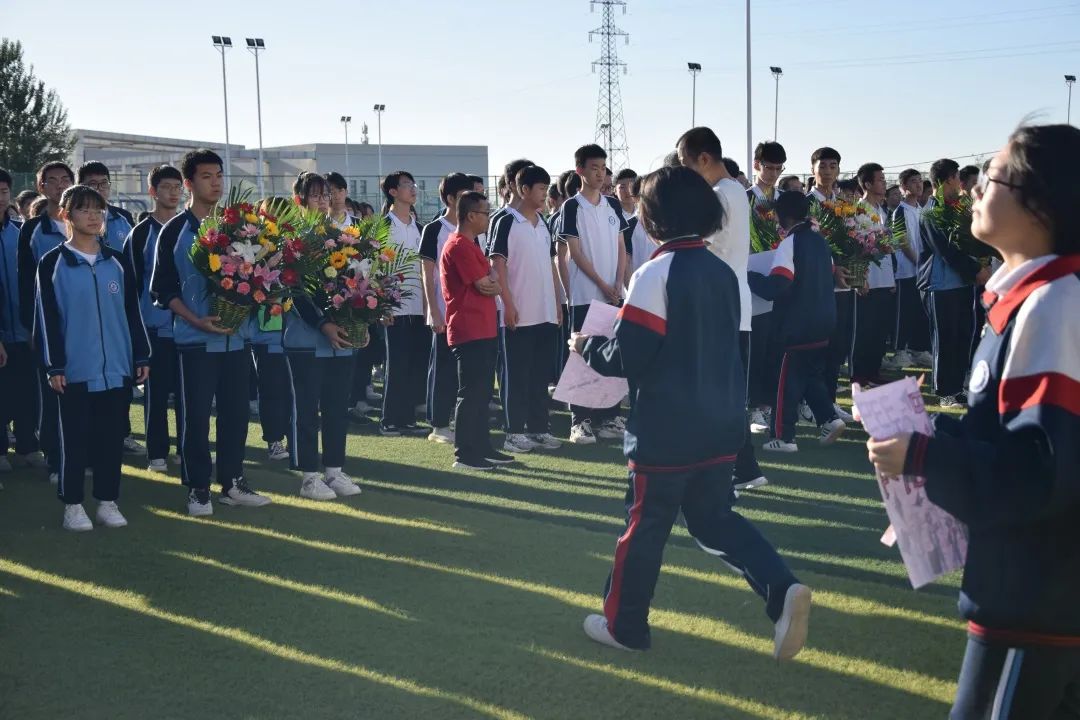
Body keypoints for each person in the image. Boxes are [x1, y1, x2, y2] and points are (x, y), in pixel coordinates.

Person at [867, 123, 1080, 720]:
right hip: (1035, 590)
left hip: (1036, 597)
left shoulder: (1054, 303)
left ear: (1043, 202)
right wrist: (935, 437)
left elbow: (1041, 472)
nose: (975, 188)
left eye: (992, 175)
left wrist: (925, 457)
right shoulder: (1037, 297)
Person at [572, 166, 811, 660]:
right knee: (713, 520)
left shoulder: (654, 273)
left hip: (666, 428)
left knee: (644, 526)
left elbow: (630, 356)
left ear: (652, 217)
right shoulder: (722, 270)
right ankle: (781, 587)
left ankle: (626, 626)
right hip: (722, 423)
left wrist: (587, 345)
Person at [151, 148, 272, 515]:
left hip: (236, 340)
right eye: (207, 176)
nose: (216, 182)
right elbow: (162, 290)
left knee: (236, 414)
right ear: (189, 183)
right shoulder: (174, 229)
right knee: (196, 417)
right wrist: (193, 319)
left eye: (219, 175)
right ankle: (198, 488)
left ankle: (232, 482)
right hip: (195, 342)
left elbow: (257, 279)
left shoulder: (238, 227)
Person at [35, 184, 150, 531]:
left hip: (117, 368)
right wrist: (55, 364)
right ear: (65, 215)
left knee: (111, 438)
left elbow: (133, 312)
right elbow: (47, 318)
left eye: (98, 210)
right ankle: (73, 505)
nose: (93, 216)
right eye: (84, 209)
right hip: (74, 370)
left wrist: (141, 354)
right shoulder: (52, 263)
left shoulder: (116, 261)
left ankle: (107, 501)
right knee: (74, 439)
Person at [677, 127, 765, 490]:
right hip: (734, 305)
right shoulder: (736, 192)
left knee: (717, 394)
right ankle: (744, 468)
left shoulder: (718, 195)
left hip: (719, 306)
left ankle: (730, 469)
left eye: (686, 163)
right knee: (726, 393)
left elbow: (695, 244)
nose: (685, 171)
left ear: (703, 159)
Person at [282, 183, 363, 501]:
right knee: (306, 409)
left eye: (326, 195)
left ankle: (334, 470)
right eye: (315, 195)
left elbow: (357, 282)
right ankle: (308, 476)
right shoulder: (292, 238)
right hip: (306, 338)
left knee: (336, 408)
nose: (322, 201)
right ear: (299, 200)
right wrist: (323, 323)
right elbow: (294, 290)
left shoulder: (340, 236)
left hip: (341, 340)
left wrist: (361, 321)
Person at [749, 191, 845, 452]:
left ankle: (784, 436)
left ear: (781, 216)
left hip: (797, 324)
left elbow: (778, 284)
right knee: (810, 374)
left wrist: (750, 277)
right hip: (824, 320)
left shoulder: (790, 243)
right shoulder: (819, 241)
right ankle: (829, 418)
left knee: (786, 381)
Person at [558, 144, 629, 445]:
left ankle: (608, 417)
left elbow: (621, 247)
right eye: (593, 168)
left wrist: (617, 283)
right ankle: (580, 421)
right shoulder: (572, 206)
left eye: (603, 168)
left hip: (613, 294)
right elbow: (574, 252)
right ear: (580, 171)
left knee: (611, 354)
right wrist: (602, 282)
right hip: (587, 294)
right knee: (583, 355)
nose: (600, 174)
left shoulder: (612, 205)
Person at [489, 165, 563, 453]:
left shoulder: (543, 222)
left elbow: (551, 265)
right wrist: (507, 304)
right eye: (541, 189)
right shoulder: (504, 220)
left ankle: (538, 428)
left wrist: (557, 303)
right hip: (518, 312)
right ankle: (513, 432)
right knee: (516, 375)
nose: (546, 194)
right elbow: (498, 266)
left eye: (547, 188)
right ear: (523, 190)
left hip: (545, 312)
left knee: (539, 375)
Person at [440, 191, 513, 470]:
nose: (488, 217)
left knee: (482, 393)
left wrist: (492, 283)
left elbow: (492, 281)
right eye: (485, 212)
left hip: (483, 327)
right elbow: (487, 284)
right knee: (471, 393)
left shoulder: (470, 244)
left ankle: (482, 447)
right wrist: (492, 283)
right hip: (468, 329)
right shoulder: (458, 245)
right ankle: (464, 453)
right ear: (471, 216)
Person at [918, 159, 992, 407]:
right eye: (957, 177)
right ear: (949, 179)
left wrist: (983, 261)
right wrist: (976, 270)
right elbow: (945, 251)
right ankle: (944, 392)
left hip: (963, 284)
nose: (960, 183)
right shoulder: (931, 212)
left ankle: (958, 387)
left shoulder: (960, 209)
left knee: (963, 336)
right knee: (945, 338)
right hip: (940, 286)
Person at [17, 161, 74, 482]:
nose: (59, 186)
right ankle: (55, 458)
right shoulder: (32, 229)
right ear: (41, 187)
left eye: (65, 179)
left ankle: (83, 455)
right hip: (48, 329)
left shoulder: (87, 222)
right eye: (51, 181)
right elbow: (25, 283)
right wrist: (31, 327)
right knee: (53, 394)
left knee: (84, 394)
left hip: (84, 329)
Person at [125, 165, 184, 472]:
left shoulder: (194, 229)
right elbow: (131, 288)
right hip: (153, 330)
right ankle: (157, 454)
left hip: (189, 330)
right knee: (156, 396)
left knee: (189, 398)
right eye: (166, 187)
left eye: (177, 187)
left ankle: (187, 449)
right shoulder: (139, 235)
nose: (173, 193)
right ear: (152, 191)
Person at [0, 167, 47, 473]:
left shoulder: (20, 233)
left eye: (3, 191)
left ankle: (28, 446)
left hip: (25, 331)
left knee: (27, 391)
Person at [420, 173, 472, 444]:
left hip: (472, 313)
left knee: (467, 371)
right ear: (451, 198)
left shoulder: (474, 227)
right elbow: (427, 273)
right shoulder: (435, 229)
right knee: (443, 368)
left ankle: (459, 419)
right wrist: (433, 310)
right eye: (465, 195)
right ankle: (438, 424)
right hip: (445, 311)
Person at [808, 147, 856, 424]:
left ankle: (830, 402)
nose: (827, 171)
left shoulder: (844, 204)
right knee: (818, 348)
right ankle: (815, 406)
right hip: (818, 286)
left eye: (833, 166)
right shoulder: (808, 203)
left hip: (845, 285)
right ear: (813, 168)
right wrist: (832, 269)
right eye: (822, 165)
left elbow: (855, 240)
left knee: (838, 346)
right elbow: (809, 248)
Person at [380, 171, 429, 436]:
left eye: (414, 184)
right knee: (396, 365)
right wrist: (382, 305)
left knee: (415, 365)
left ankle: (407, 418)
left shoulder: (419, 226)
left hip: (419, 307)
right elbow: (376, 268)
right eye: (407, 185)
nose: (413, 189)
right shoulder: (384, 226)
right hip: (394, 307)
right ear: (392, 192)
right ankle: (389, 419)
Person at [851, 163, 895, 386]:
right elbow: (856, 246)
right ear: (867, 184)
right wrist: (860, 279)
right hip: (868, 279)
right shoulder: (859, 210)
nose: (884, 183)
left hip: (884, 278)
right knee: (865, 330)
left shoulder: (880, 209)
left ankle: (873, 371)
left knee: (879, 328)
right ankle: (859, 374)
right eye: (880, 180)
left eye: (884, 179)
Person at [887, 169, 933, 369]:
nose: (918, 185)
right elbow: (901, 241)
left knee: (920, 312)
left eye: (920, 181)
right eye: (913, 182)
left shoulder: (921, 211)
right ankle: (899, 352)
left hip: (921, 272)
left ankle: (919, 349)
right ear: (903, 187)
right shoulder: (900, 211)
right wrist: (918, 262)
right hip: (905, 271)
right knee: (903, 313)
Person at [76, 161, 134, 251]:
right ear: (80, 187)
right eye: (93, 184)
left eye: (104, 183)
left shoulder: (124, 217)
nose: (100, 189)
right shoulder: (74, 218)